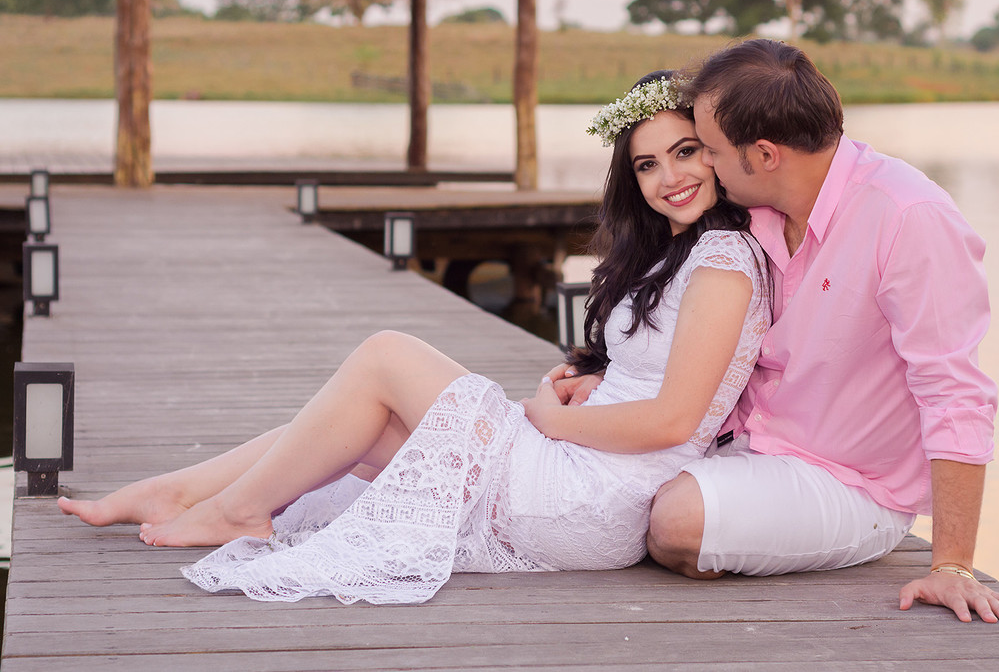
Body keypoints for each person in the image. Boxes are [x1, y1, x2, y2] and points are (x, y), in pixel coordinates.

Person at [57, 71, 772, 606]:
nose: (669, 176)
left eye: (686, 153)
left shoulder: (722, 261)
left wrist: (555, 418)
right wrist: (595, 379)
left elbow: (676, 418)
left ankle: (234, 508)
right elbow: (661, 373)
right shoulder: (678, 253)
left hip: (592, 494)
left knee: (386, 354)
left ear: (718, 153)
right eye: (648, 164)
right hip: (586, 468)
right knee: (352, 424)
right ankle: (175, 491)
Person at [555, 40, 999, 624]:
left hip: (852, 485)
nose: (705, 168)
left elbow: (956, 392)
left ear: (765, 154)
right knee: (596, 493)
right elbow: (682, 314)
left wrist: (952, 564)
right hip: (739, 446)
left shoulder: (908, 217)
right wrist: (604, 371)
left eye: (711, 152)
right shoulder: (753, 209)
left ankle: (736, 535)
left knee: (675, 522)